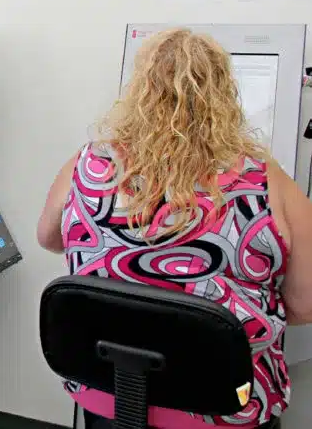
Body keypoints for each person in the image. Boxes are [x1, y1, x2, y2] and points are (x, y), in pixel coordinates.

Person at [36, 29, 305, 429]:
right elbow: (305, 304)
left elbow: (48, 238)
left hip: (108, 391)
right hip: (223, 402)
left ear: (138, 92)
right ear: (224, 96)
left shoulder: (89, 165)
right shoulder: (267, 182)